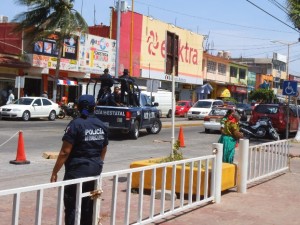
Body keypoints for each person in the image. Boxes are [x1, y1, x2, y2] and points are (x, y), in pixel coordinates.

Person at [50, 94, 108, 225]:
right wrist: (99, 163)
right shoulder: (101, 125)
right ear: (95, 107)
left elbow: (65, 152)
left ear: (78, 107)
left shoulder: (76, 124)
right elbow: (104, 148)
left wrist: (54, 172)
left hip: (76, 173)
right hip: (94, 172)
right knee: (88, 205)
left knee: (72, 207)